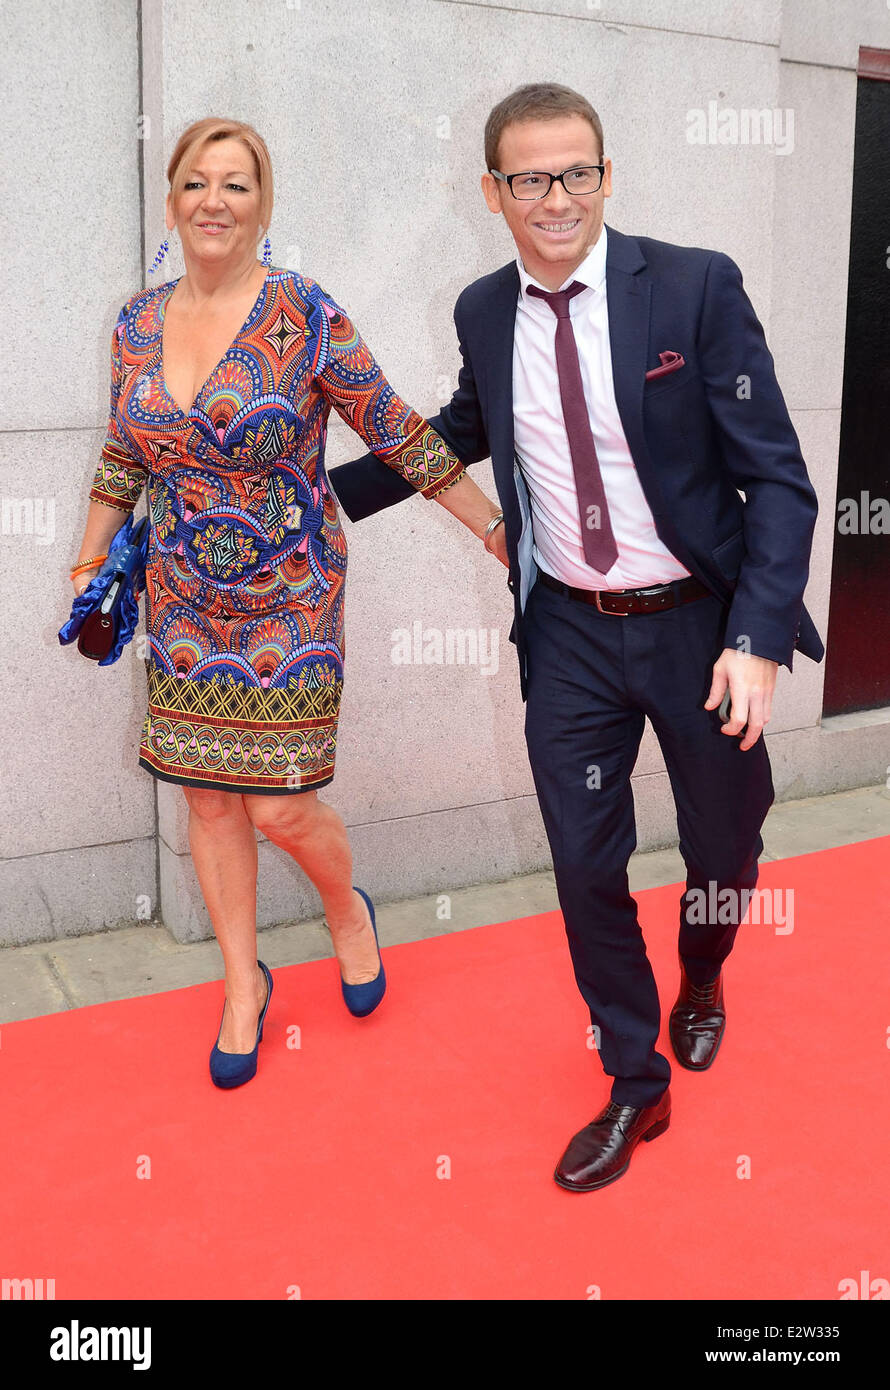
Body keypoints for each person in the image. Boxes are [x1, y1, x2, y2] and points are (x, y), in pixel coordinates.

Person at [328, 82, 824, 1191]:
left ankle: (703, 972)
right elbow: (468, 423)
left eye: (577, 172)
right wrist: (325, 496)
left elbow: (776, 480)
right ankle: (633, 1081)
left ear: (607, 175)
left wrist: (752, 634)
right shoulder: (481, 309)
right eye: (531, 178)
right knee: (584, 866)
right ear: (494, 192)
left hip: (700, 624)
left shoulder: (693, 288)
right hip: (568, 633)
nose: (556, 197)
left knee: (726, 843)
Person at [71, 117, 507, 1089]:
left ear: (262, 203)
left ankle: (345, 910)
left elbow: (390, 425)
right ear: (173, 198)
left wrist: (489, 526)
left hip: (290, 598)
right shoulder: (136, 322)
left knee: (282, 809)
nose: (213, 201)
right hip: (180, 599)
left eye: (234, 184)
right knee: (210, 799)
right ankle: (241, 982)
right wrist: (89, 555)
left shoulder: (299, 311)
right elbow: (123, 449)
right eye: (196, 183)